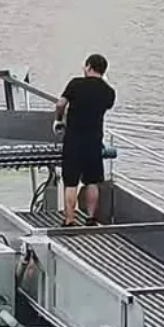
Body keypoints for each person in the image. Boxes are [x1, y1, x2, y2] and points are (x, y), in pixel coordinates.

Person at [53, 53, 116, 226]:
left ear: (88, 67)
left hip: (74, 140)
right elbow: (105, 106)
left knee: (71, 182)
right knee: (92, 181)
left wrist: (59, 119)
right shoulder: (108, 92)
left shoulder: (76, 84)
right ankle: (91, 218)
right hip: (94, 141)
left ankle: (69, 219)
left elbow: (60, 104)